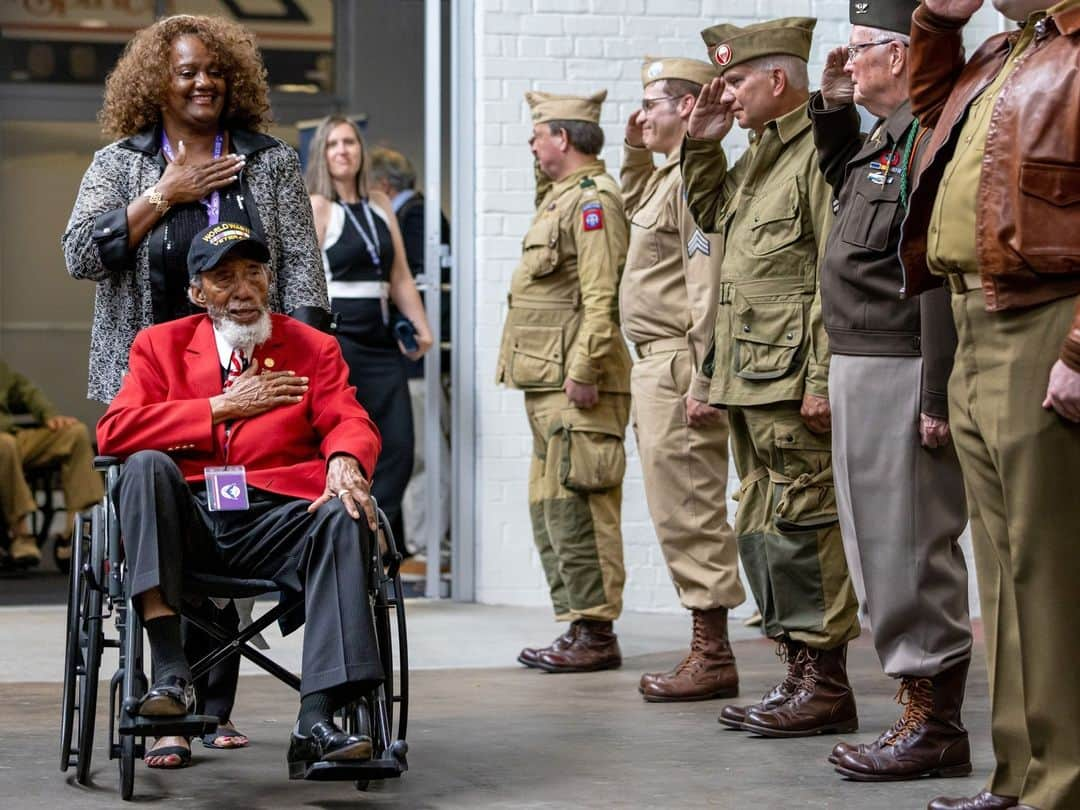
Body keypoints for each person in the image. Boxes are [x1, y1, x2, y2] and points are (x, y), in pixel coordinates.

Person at [61, 13, 329, 767]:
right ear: (157, 82)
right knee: (161, 513)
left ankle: (210, 706)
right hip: (150, 383)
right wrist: (164, 195)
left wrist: (300, 383)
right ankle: (165, 707)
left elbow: (302, 275)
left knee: (237, 510)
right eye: (186, 71)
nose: (203, 81)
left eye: (214, 69)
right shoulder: (122, 163)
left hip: (253, 374)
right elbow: (81, 254)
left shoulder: (268, 163)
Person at [96, 222, 384, 776]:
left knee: (345, 512)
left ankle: (317, 717)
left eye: (254, 273)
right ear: (197, 293)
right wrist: (219, 408)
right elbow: (114, 432)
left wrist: (344, 459)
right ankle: (171, 670)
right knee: (146, 466)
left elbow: (349, 418)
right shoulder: (160, 346)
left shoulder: (312, 348)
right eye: (224, 278)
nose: (243, 288)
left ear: (270, 280)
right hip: (191, 521)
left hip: (277, 521)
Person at [900, 0, 1080, 807]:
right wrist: (936, 25)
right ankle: (1017, 774)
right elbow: (931, 119)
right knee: (1003, 572)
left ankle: (1064, 782)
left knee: (1050, 567)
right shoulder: (1007, 52)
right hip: (975, 317)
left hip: (1043, 318)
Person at [808, 0, 974, 782]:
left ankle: (935, 725)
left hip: (904, 364)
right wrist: (834, 109)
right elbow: (846, 180)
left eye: (860, 49)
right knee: (877, 544)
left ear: (903, 54)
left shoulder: (932, 134)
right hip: (861, 358)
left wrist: (936, 394)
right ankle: (917, 709)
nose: (848, 61)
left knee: (909, 546)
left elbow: (935, 272)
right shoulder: (884, 135)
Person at [683, 18, 862, 736]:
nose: (724, 92)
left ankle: (827, 684)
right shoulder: (757, 154)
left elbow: (832, 273)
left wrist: (820, 377)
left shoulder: (816, 153)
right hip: (748, 376)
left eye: (734, 80)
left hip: (789, 378)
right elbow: (710, 216)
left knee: (805, 527)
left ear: (777, 81)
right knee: (763, 529)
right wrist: (701, 141)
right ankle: (795, 672)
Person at [619, 57, 745, 702]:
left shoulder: (692, 182)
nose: (642, 115)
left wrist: (704, 374)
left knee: (691, 508)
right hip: (656, 361)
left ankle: (713, 652)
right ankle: (708, 645)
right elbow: (627, 195)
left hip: (677, 361)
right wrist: (638, 144)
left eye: (654, 103)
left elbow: (705, 279)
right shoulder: (662, 178)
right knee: (675, 511)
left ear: (690, 107)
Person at [498, 90, 632, 673]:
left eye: (539, 133)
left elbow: (604, 295)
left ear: (564, 138)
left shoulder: (592, 202)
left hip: (576, 383)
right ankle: (579, 625)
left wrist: (585, 368)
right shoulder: (558, 199)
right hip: (546, 381)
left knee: (583, 507)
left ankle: (597, 633)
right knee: (553, 508)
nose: (532, 143)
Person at [306, 117, 434, 559]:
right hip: (340, 343)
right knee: (348, 443)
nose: (343, 151)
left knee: (399, 445)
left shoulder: (380, 203)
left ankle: (382, 541)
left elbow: (398, 275)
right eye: (334, 144)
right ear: (322, 153)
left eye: (351, 142)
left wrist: (420, 325)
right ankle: (351, 544)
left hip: (382, 342)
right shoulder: (318, 206)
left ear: (361, 151)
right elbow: (303, 285)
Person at [367, 147, 452, 572]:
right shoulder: (423, 215)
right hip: (405, 361)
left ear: (382, 184)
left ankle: (423, 547)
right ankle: (417, 541)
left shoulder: (415, 219)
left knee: (419, 453)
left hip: (415, 359)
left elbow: (416, 281)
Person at [0, 359, 104, 569]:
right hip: (4, 443)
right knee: (5, 444)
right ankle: (21, 535)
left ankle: (74, 531)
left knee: (75, 434)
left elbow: (23, 389)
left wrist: (48, 415)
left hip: (12, 437)